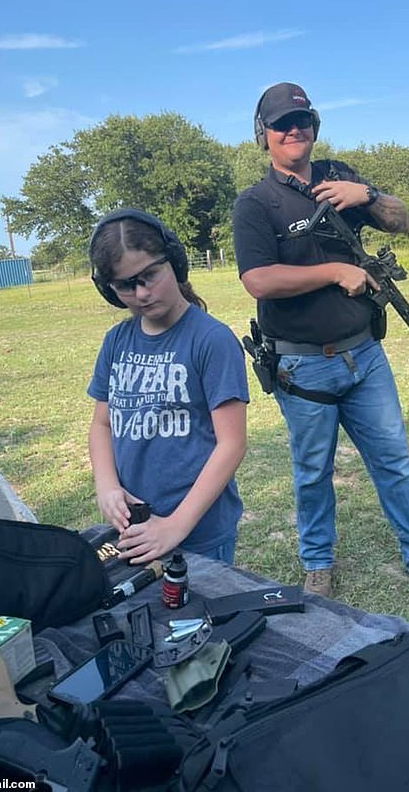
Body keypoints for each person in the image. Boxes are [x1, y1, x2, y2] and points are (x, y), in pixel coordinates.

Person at [232, 82, 409, 601]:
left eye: (303, 121)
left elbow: (403, 221)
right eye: (282, 124)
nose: (294, 130)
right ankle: (318, 564)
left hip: (364, 354)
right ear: (264, 135)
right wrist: (334, 270)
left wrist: (367, 196)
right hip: (301, 367)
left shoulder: (341, 178)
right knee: (313, 472)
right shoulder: (255, 203)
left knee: (395, 463)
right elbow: (258, 281)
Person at [87, 207, 249, 565]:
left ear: (174, 262)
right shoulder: (117, 341)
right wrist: (107, 486)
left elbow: (232, 443)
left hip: (199, 531)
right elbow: (102, 424)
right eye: (126, 285)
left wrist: (176, 525)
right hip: (137, 528)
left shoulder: (211, 340)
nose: (141, 293)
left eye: (150, 275)